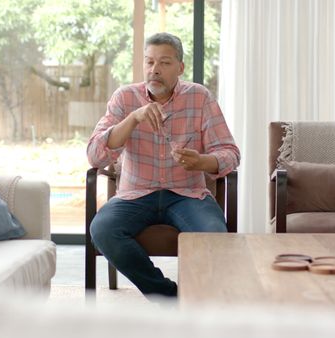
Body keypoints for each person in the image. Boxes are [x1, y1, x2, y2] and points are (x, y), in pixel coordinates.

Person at [87, 32, 240, 298]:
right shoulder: (125, 99)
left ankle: (202, 298)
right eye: (149, 62)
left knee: (214, 236)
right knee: (102, 229)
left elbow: (230, 152)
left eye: (164, 63)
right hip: (135, 195)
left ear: (180, 67)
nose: (154, 70)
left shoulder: (200, 98)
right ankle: (169, 297)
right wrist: (133, 119)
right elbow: (95, 156)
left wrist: (202, 161)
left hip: (187, 195)